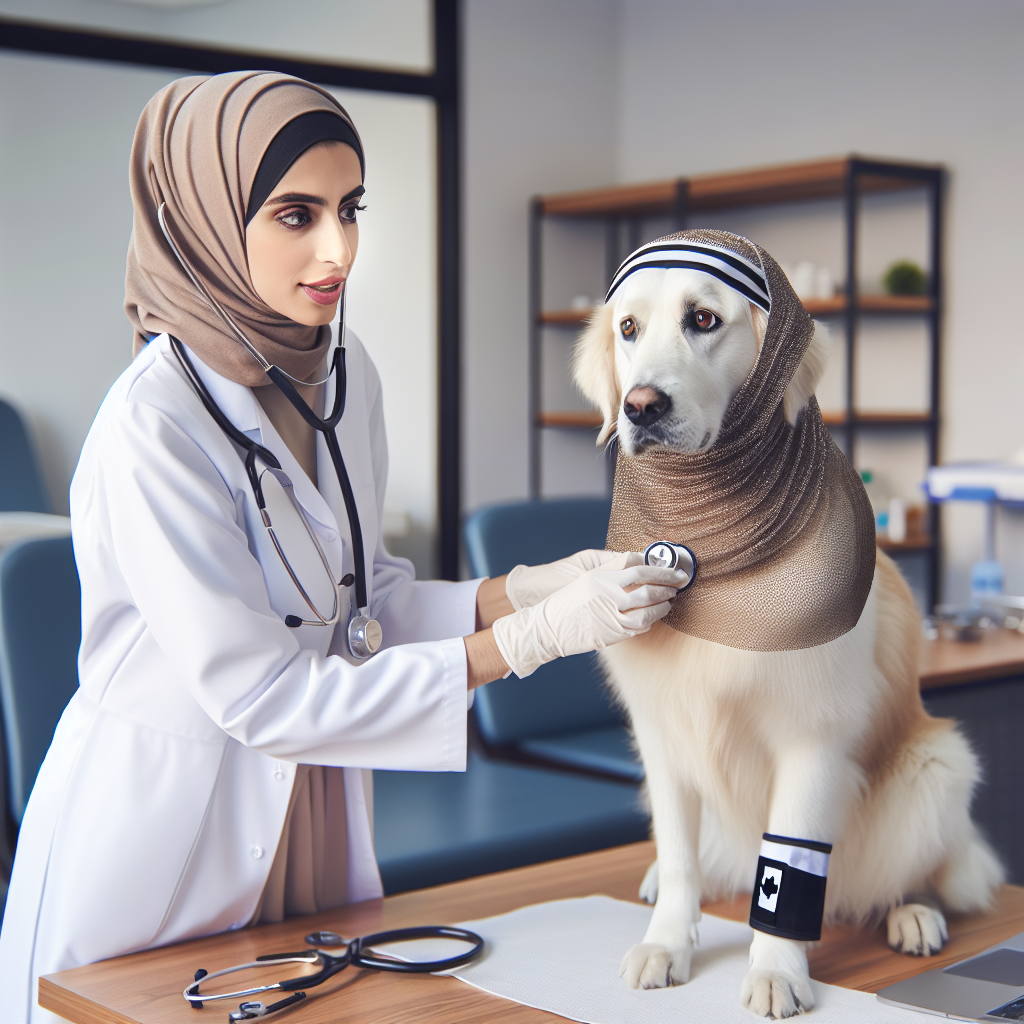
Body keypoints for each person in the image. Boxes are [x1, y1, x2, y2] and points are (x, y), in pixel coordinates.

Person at [0, 71, 685, 1022]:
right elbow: (262, 691)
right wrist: (526, 645)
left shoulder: (341, 369)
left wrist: (522, 591)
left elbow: (360, 608)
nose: (338, 250)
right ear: (199, 220)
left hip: (308, 804)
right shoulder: (148, 426)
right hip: (166, 829)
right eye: (295, 215)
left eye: (349, 209)